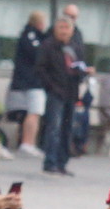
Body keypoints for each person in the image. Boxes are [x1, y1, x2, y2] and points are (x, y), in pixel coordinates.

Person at [35, 15, 85, 177]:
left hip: (71, 92)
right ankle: (50, 162)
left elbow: (80, 65)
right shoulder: (47, 46)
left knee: (67, 128)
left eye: (67, 28)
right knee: (53, 128)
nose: (64, 31)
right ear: (55, 29)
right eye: (61, 28)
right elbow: (40, 69)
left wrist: (82, 72)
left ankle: (62, 162)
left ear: (72, 31)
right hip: (55, 92)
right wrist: (51, 86)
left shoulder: (75, 47)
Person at [7, 10, 48, 156]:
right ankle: (28, 143)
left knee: (29, 113)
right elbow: (38, 54)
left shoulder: (26, 35)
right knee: (34, 113)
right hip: (32, 82)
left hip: (23, 81)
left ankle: (27, 142)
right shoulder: (31, 36)